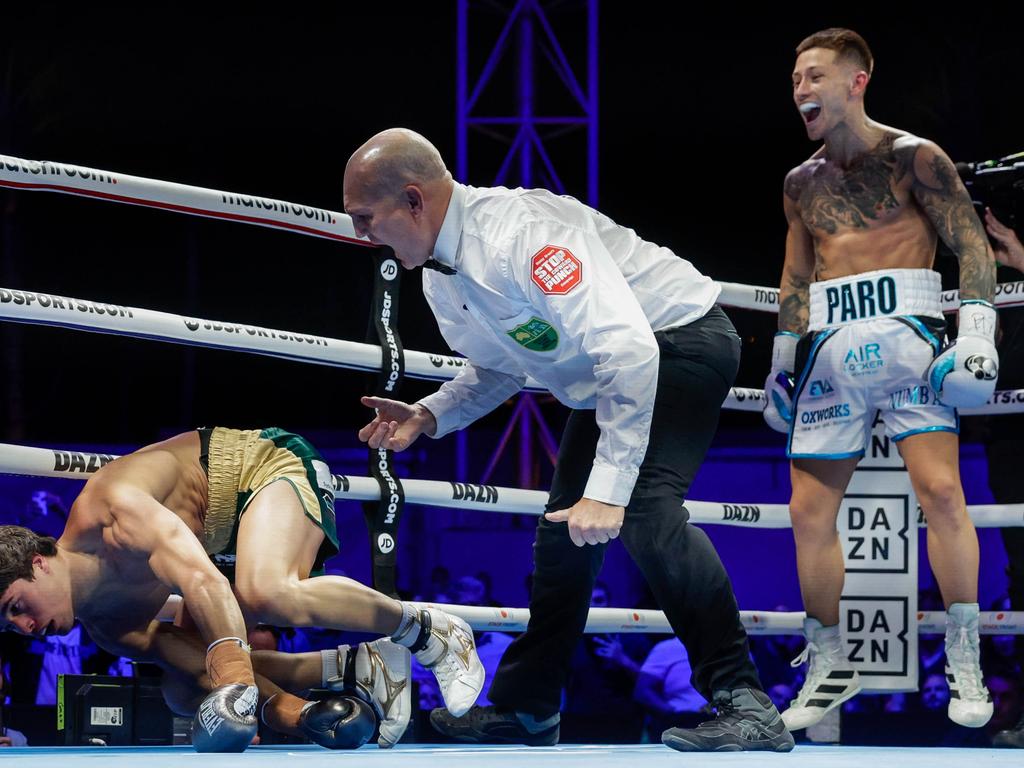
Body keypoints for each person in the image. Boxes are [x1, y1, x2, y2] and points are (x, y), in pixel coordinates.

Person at [343, 128, 794, 752]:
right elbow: (499, 367)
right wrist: (429, 413)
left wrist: (609, 491)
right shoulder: (442, 280)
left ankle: (745, 702)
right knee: (563, 534)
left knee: (641, 512)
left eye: (367, 218)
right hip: (611, 374)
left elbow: (630, 347)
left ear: (414, 201)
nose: (361, 236)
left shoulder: (523, 235)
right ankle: (528, 708)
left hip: (681, 341)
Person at [764, 28, 999, 732]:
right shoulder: (800, 183)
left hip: (912, 343)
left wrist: (980, 333)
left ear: (856, 81)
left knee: (942, 491)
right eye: (796, 78)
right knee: (808, 515)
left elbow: (970, 244)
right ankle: (829, 662)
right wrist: (781, 362)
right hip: (831, 349)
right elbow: (797, 275)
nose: (801, 89)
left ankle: (965, 654)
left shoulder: (914, 158)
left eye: (814, 76)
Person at [0, 426, 483, 750]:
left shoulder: (112, 512)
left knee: (263, 592)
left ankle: (429, 630)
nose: (23, 627)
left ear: (38, 564)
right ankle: (352, 668)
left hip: (262, 467)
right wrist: (294, 714)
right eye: (9, 624)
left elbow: (201, 580)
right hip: (220, 541)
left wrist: (235, 682)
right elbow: (199, 665)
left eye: (15, 606)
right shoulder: (109, 627)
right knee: (181, 692)